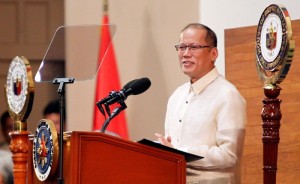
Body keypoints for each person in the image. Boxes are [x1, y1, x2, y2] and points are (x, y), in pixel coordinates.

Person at [155, 23, 246, 184]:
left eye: (194, 47)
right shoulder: (176, 96)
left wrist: (179, 153)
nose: (186, 54)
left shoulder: (227, 95)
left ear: (213, 53)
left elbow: (229, 156)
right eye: (182, 47)